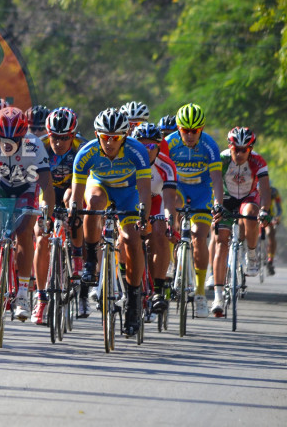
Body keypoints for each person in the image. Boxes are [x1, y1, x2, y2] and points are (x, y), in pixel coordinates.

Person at [70, 108, 151, 336]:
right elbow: (77, 193)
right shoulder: (86, 152)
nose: (110, 142)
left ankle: (134, 303)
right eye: (105, 137)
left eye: (115, 138)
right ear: (97, 135)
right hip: (101, 187)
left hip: (128, 192)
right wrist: (74, 212)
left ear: (125, 136)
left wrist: (143, 216)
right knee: (92, 202)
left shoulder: (137, 151)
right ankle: (90, 262)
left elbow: (144, 189)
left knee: (132, 239)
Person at [0, 106, 53, 323]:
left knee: (24, 232)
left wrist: (46, 213)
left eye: (15, 139)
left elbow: (46, 183)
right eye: (3, 138)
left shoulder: (33, 144)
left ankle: (22, 294)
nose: (8, 143)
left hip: (26, 188)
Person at [165, 103, 224, 318]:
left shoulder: (209, 146)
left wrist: (218, 203)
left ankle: (199, 293)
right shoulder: (169, 143)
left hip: (202, 190)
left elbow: (217, 179)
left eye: (195, 131)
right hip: (178, 188)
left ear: (202, 129)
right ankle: (174, 265)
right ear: (178, 128)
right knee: (172, 228)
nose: (190, 136)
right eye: (185, 130)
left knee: (199, 236)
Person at [211, 127, 271, 316]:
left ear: (250, 149)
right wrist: (216, 206)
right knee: (221, 242)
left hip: (248, 197)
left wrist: (265, 211)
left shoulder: (258, 161)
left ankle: (252, 254)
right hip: (226, 199)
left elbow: (265, 189)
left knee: (252, 212)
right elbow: (214, 185)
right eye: (235, 148)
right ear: (230, 146)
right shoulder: (222, 159)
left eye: (244, 149)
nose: (239, 153)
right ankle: (218, 296)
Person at [40, 107, 88, 316]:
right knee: (40, 227)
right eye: (55, 138)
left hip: (73, 188)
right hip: (48, 189)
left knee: (74, 203)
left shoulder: (83, 147)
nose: (59, 143)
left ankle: (77, 254)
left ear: (73, 135)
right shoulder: (39, 146)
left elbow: (89, 180)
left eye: (64, 138)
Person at [131, 123, 179, 314]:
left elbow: (169, 201)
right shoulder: (127, 162)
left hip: (157, 200)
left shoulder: (166, 165)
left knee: (159, 233)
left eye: (151, 147)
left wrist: (169, 221)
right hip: (133, 200)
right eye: (141, 146)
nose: (146, 151)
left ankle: (158, 289)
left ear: (159, 147)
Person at [265, 186, 281, 275]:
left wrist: (277, 217)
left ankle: (270, 260)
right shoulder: (252, 188)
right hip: (254, 215)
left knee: (271, 234)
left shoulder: (274, 191)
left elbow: (279, 208)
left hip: (268, 216)